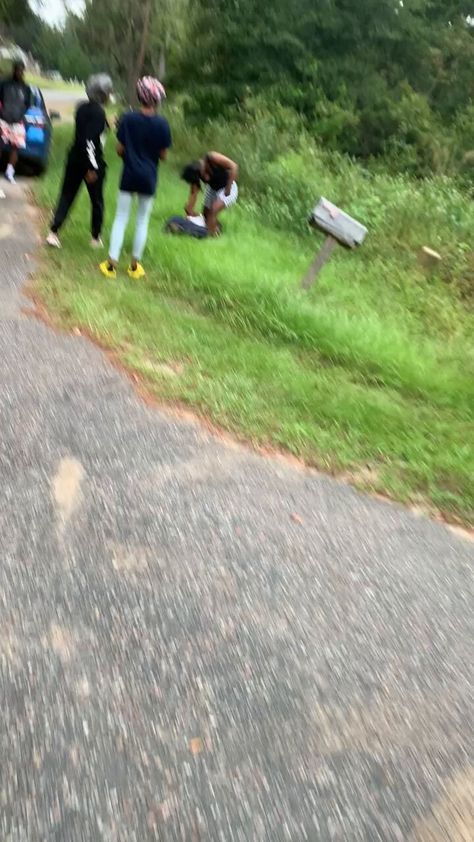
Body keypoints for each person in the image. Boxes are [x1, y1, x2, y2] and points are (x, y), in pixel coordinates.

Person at [100, 76, 171, 280]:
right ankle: (134, 266)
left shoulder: (128, 119)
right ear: (157, 99)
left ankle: (111, 264)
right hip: (149, 177)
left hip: (129, 175)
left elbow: (120, 149)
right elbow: (164, 156)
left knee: (121, 218)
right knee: (142, 220)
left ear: (140, 97)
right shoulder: (162, 124)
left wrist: (129, 153)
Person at [46, 73, 113, 249]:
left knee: (66, 195)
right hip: (90, 161)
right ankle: (95, 237)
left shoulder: (82, 108)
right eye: (107, 92)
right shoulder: (98, 112)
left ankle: (53, 232)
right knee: (97, 200)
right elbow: (90, 140)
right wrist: (92, 167)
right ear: (102, 93)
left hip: (74, 157)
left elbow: (86, 133)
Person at [181, 152, 238, 235]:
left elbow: (234, 166)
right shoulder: (196, 173)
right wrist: (189, 209)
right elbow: (194, 193)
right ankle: (216, 228)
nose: (205, 177)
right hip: (212, 188)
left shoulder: (212, 158)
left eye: (202, 175)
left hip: (228, 187)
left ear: (201, 169)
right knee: (206, 216)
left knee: (213, 211)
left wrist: (228, 188)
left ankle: (211, 236)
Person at [0, 60, 31, 184]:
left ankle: (9, 172)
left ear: (23, 71)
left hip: (18, 121)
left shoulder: (25, 88)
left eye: (21, 70)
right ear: (14, 70)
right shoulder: (4, 84)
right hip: (3, 119)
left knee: (15, 147)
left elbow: (27, 104)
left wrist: (20, 115)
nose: (19, 72)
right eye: (17, 69)